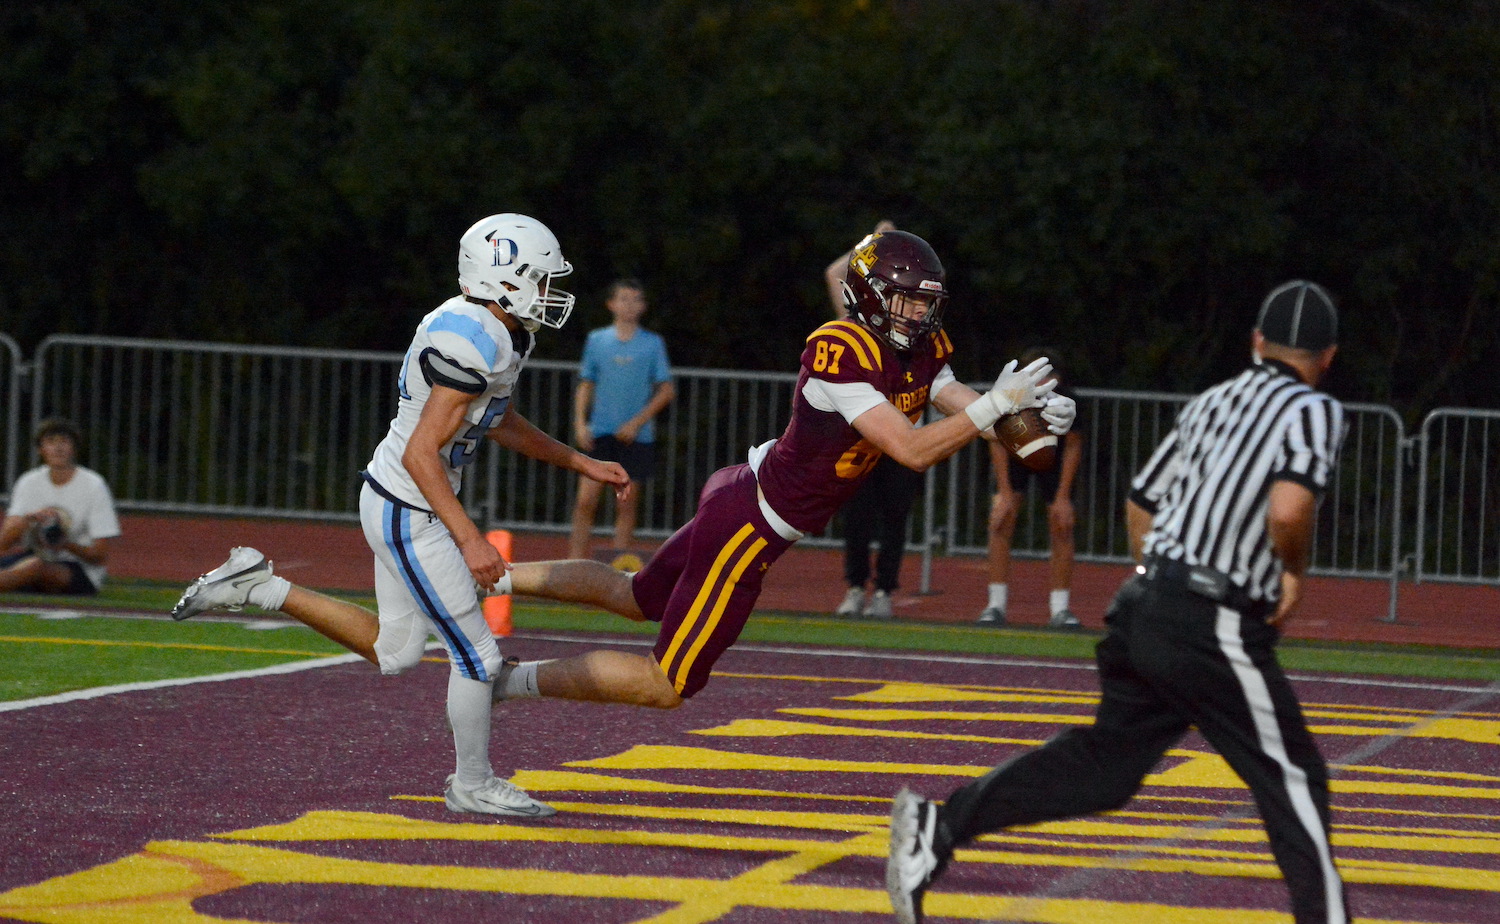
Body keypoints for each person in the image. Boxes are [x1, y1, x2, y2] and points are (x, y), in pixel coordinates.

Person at [175, 228, 1076, 726]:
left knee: (639, 595)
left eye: (926, 302)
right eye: (909, 299)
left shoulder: (919, 346)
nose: (921, 313)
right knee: (668, 683)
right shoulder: (839, 349)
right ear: (876, 297)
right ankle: (510, 681)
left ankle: (493, 578)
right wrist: (993, 412)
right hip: (755, 522)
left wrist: (1032, 419)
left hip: (741, 491)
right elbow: (914, 448)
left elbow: (974, 411)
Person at [887, 280, 1350, 924]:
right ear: (1328, 357)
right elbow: (1291, 510)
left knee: (1105, 768)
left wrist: (1157, 579)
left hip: (1145, 606)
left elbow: (1141, 504)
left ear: (1256, 342)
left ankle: (938, 827)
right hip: (1210, 618)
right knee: (1294, 779)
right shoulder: (1314, 410)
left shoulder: (1215, 401)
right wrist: (1290, 572)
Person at [172, 214, 630, 819]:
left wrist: (579, 461)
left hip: (401, 499)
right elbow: (421, 452)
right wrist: (470, 539)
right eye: (541, 279)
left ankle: (258, 585)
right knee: (478, 657)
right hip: (410, 508)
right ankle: (472, 784)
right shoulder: (474, 339)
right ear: (505, 279)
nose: (548, 293)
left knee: (397, 650)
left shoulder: (500, 330)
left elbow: (497, 420)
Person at [825, 221, 924, 620]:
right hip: (863, 435)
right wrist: (871, 244)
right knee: (857, 515)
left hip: (902, 437)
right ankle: (854, 587)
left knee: (895, 516)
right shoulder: (861, 323)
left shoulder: (919, 328)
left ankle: (884, 590)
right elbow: (834, 274)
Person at [976, 346, 1085, 629]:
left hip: (1054, 458)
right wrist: (1005, 493)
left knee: (1062, 525)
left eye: (1048, 375)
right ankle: (995, 605)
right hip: (1015, 454)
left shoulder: (1068, 400)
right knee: (1001, 520)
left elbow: (1073, 446)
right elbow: (996, 442)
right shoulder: (1010, 397)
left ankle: (1060, 608)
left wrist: (1063, 497)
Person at [567, 278, 675, 561]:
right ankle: (574, 563)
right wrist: (580, 423)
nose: (629, 305)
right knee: (585, 501)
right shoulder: (597, 340)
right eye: (624, 299)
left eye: (635, 299)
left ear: (643, 306)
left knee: (626, 505)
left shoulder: (652, 344)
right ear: (611, 304)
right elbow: (586, 383)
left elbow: (666, 390)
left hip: (636, 436)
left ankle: (619, 567)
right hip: (600, 432)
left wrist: (636, 423)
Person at [0, 418, 121, 595]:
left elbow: (99, 555)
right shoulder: (28, 482)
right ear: (40, 449)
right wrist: (27, 521)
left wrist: (64, 544)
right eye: (51, 442)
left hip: (78, 569)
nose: (58, 448)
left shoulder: (93, 485)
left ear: (74, 448)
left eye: (64, 441)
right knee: (30, 563)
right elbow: (3, 544)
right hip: (31, 557)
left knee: (35, 566)